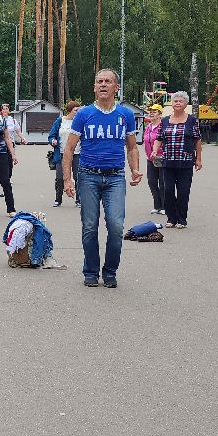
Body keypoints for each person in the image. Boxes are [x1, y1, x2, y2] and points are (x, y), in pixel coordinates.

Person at [63, 69, 141, 289]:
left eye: (108, 81)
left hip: (115, 177)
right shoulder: (84, 114)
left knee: (116, 227)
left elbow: (132, 147)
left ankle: (110, 271)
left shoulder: (125, 115)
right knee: (89, 226)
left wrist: (135, 169)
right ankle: (90, 271)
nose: (104, 84)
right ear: (94, 87)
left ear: (116, 87)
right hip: (88, 176)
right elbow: (69, 149)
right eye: (100, 81)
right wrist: (68, 180)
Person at [153, 91, 203, 229]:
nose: (178, 103)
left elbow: (197, 140)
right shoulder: (164, 121)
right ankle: (171, 218)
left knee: (183, 191)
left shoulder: (192, 120)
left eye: (181, 101)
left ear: (186, 104)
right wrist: (154, 150)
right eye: (175, 101)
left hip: (185, 162)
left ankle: (182, 219)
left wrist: (198, 159)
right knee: (168, 190)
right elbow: (159, 138)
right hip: (168, 161)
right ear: (172, 104)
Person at [48, 99, 78, 207]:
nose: (77, 112)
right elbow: (51, 135)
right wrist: (53, 141)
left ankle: (79, 200)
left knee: (78, 176)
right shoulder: (60, 121)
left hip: (77, 153)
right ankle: (58, 199)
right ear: (69, 111)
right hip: (61, 153)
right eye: (76, 110)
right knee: (60, 177)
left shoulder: (79, 122)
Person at [142, 103, 165, 215]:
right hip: (150, 159)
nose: (151, 113)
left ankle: (165, 206)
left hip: (162, 158)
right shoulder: (148, 127)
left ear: (160, 114)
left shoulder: (163, 126)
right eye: (150, 111)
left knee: (163, 182)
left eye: (154, 111)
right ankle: (157, 205)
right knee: (151, 181)